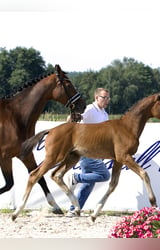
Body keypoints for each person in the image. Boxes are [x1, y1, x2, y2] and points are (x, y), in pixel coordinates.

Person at [66, 87, 111, 216]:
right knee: (105, 175)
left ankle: (73, 210)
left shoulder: (104, 113)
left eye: (108, 98)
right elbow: (72, 118)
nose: (106, 100)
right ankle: (75, 177)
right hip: (87, 150)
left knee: (88, 184)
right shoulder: (89, 109)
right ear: (96, 98)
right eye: (104, 97)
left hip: (97, 152)